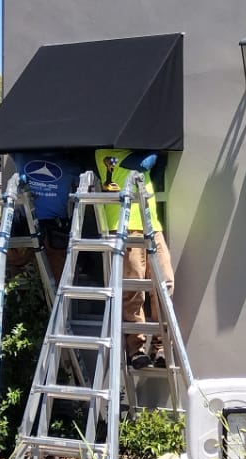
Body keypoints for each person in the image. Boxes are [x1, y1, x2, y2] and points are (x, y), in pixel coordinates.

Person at [95, 148, 174, 369]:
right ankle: (136, 350)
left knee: (165, 284)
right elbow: (145, 162)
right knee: (133, 291)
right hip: (125, 227)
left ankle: (160, 348)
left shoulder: (134, 148)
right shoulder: (106, 152)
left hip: (151, 227)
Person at [10, 151, 85, 283]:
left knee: (13, 264)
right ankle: (58, 299)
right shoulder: (71, 164)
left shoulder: (22, 155)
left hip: (29, 227)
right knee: (59, 277)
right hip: (49, 230)